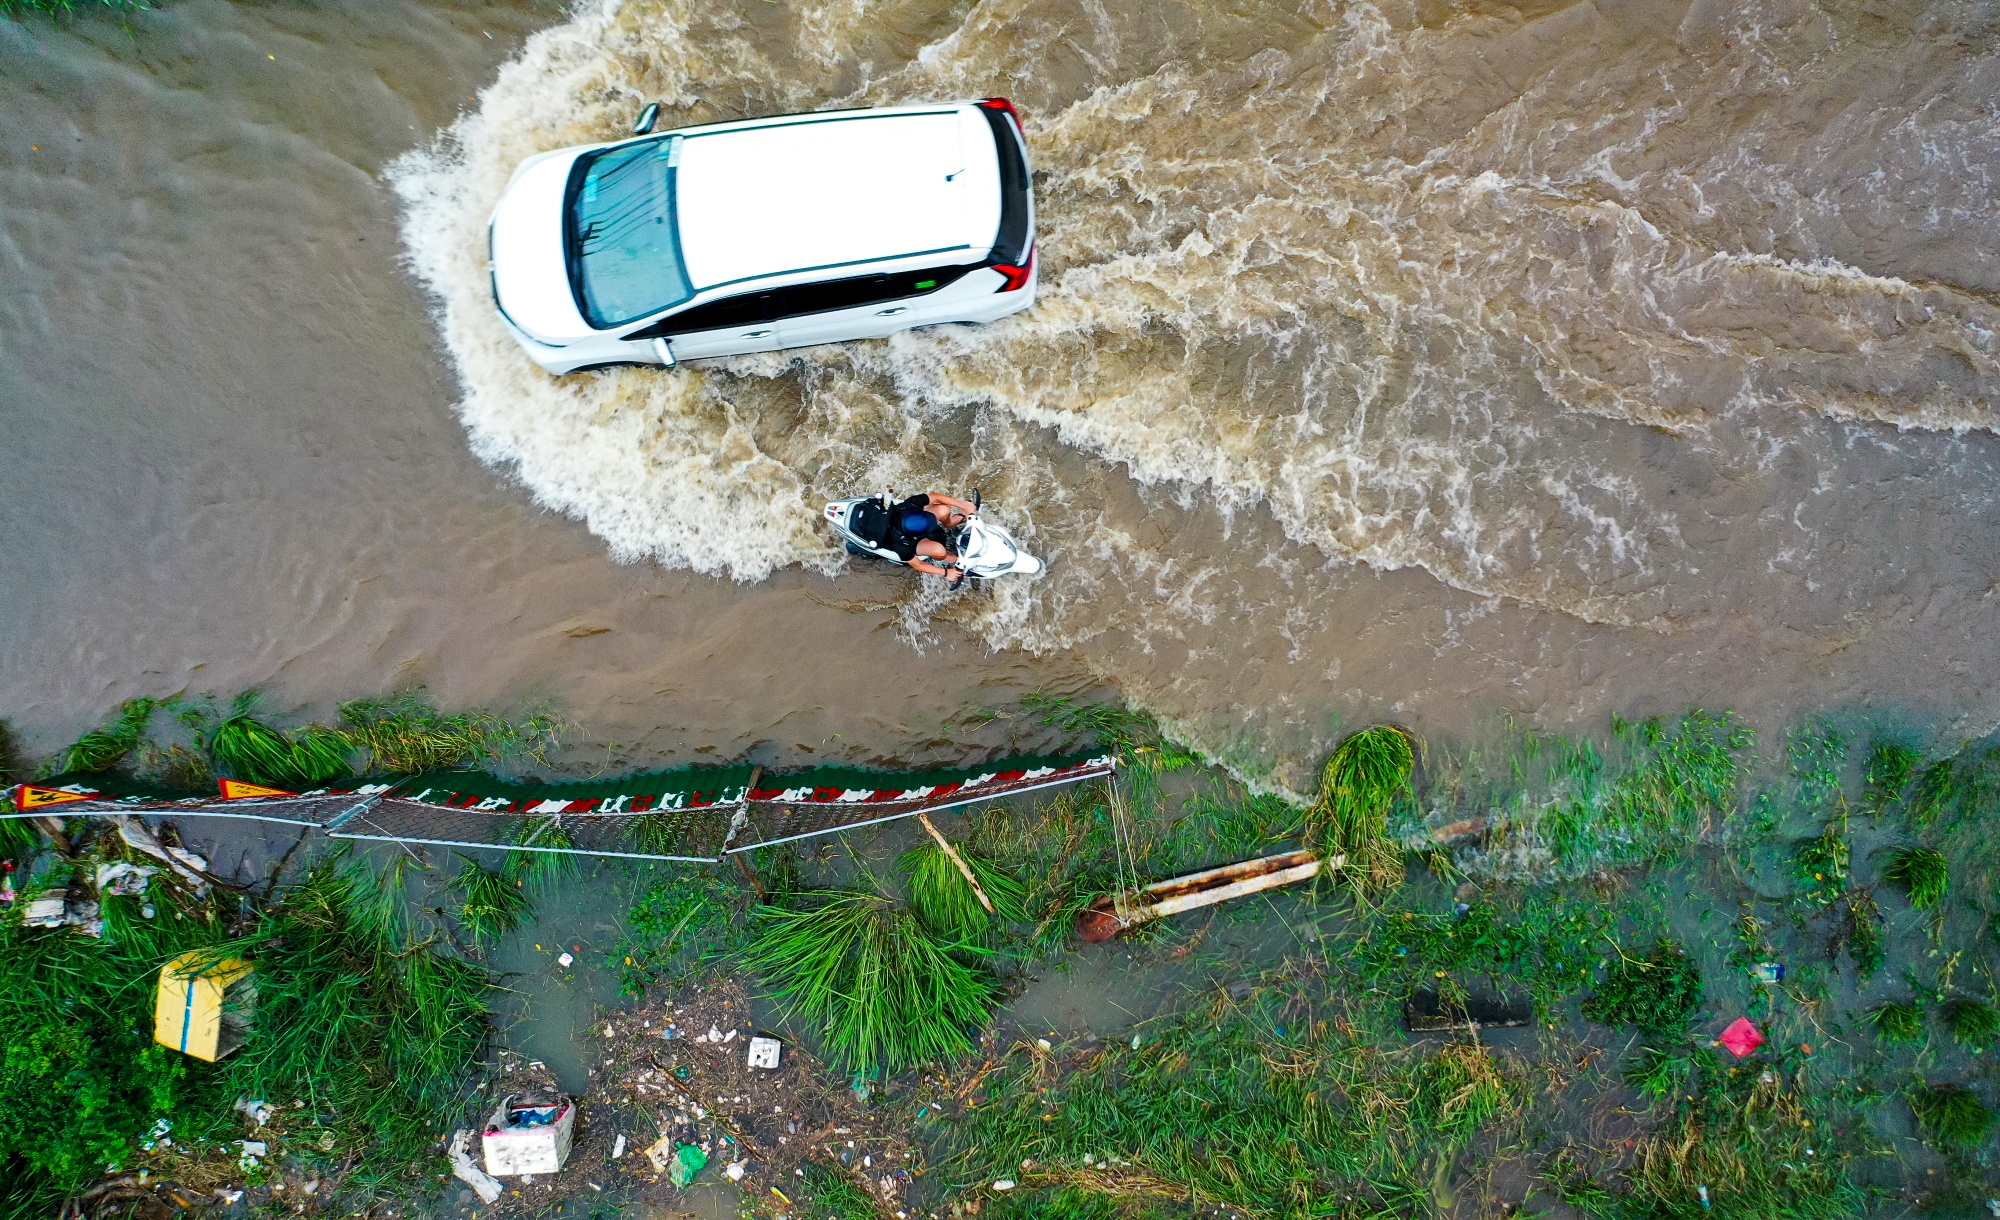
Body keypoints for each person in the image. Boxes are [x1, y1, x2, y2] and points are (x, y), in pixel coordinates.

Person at [883, 492, 978, 585]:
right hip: (911, 541)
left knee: (944, 509)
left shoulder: (910, 505)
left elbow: (936, 497)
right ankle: (951, 559)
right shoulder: (900, 544)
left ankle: (951, 523)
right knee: (939, 551)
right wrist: (946, 572)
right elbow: (918, 565)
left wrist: (964, 506)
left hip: (907, 523)